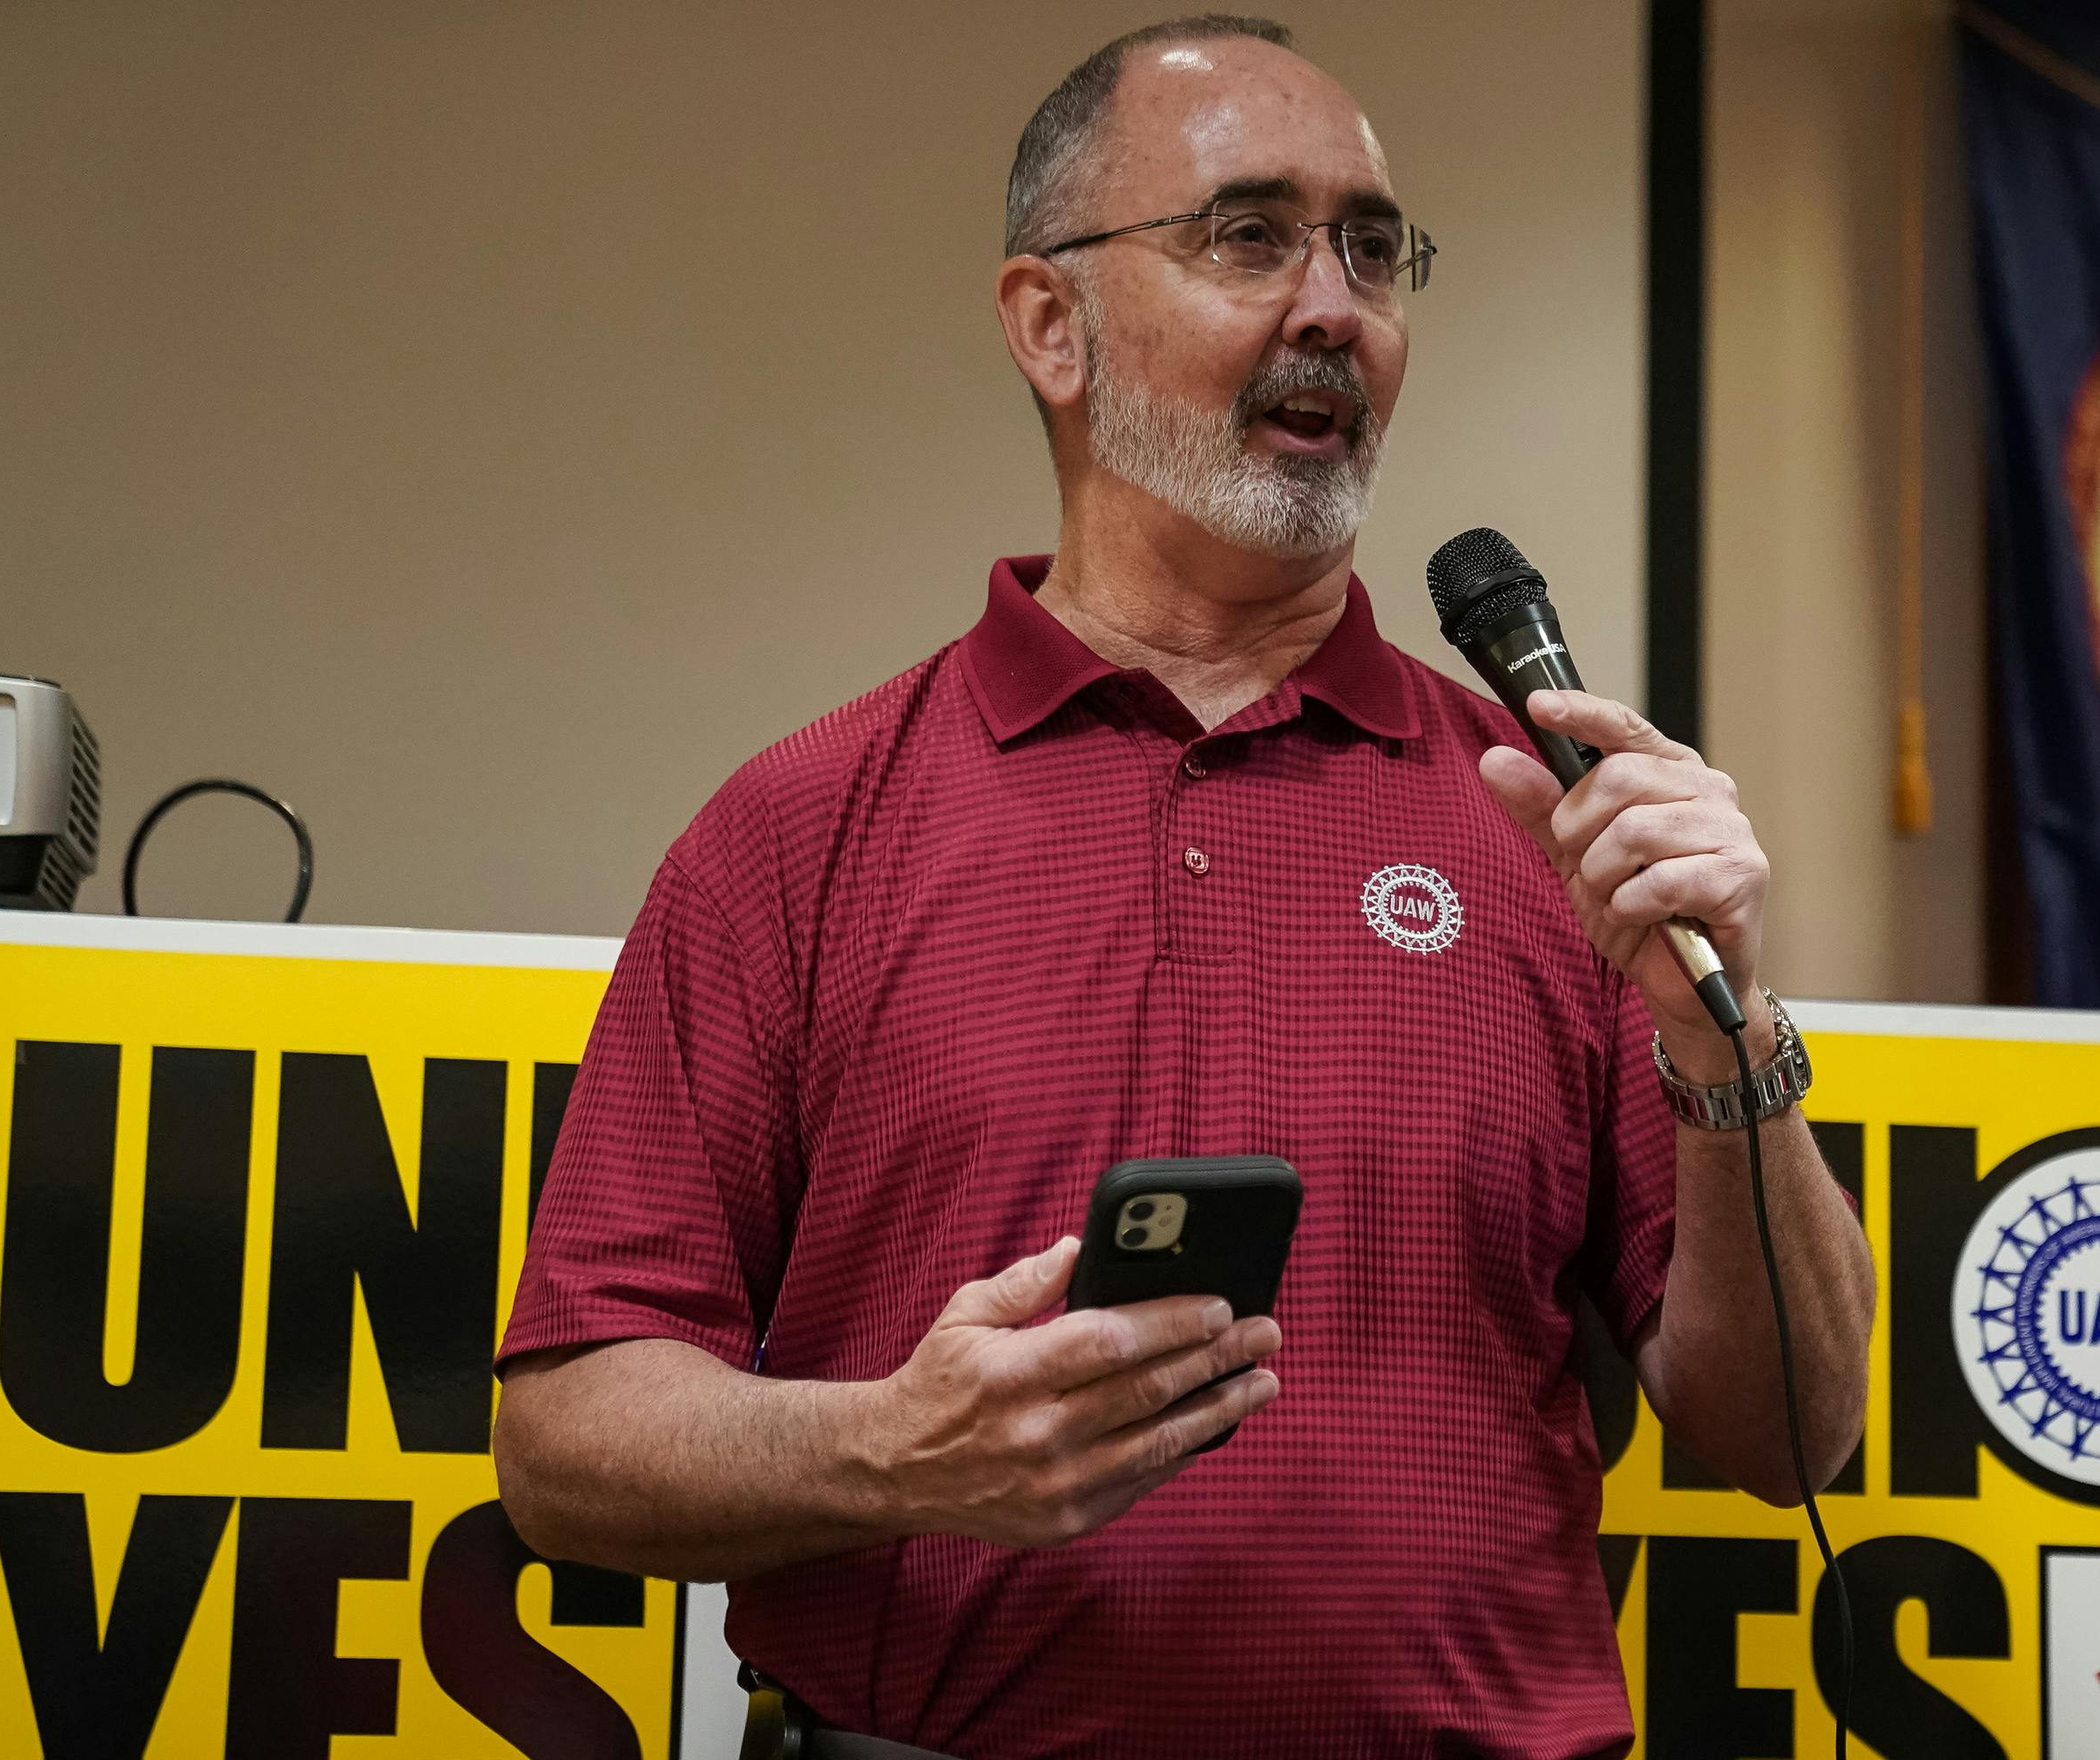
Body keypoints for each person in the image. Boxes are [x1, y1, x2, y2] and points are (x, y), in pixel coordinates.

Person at [493, 15, 1875, 1758]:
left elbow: (1795, 1432)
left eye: (1374, 248)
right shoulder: (804, 824)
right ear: (1047, 325)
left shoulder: (1553, 827)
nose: (1333, 305)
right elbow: (565, 1442)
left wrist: (1720, 1032)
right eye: (1250, 235)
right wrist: (891, 1448)